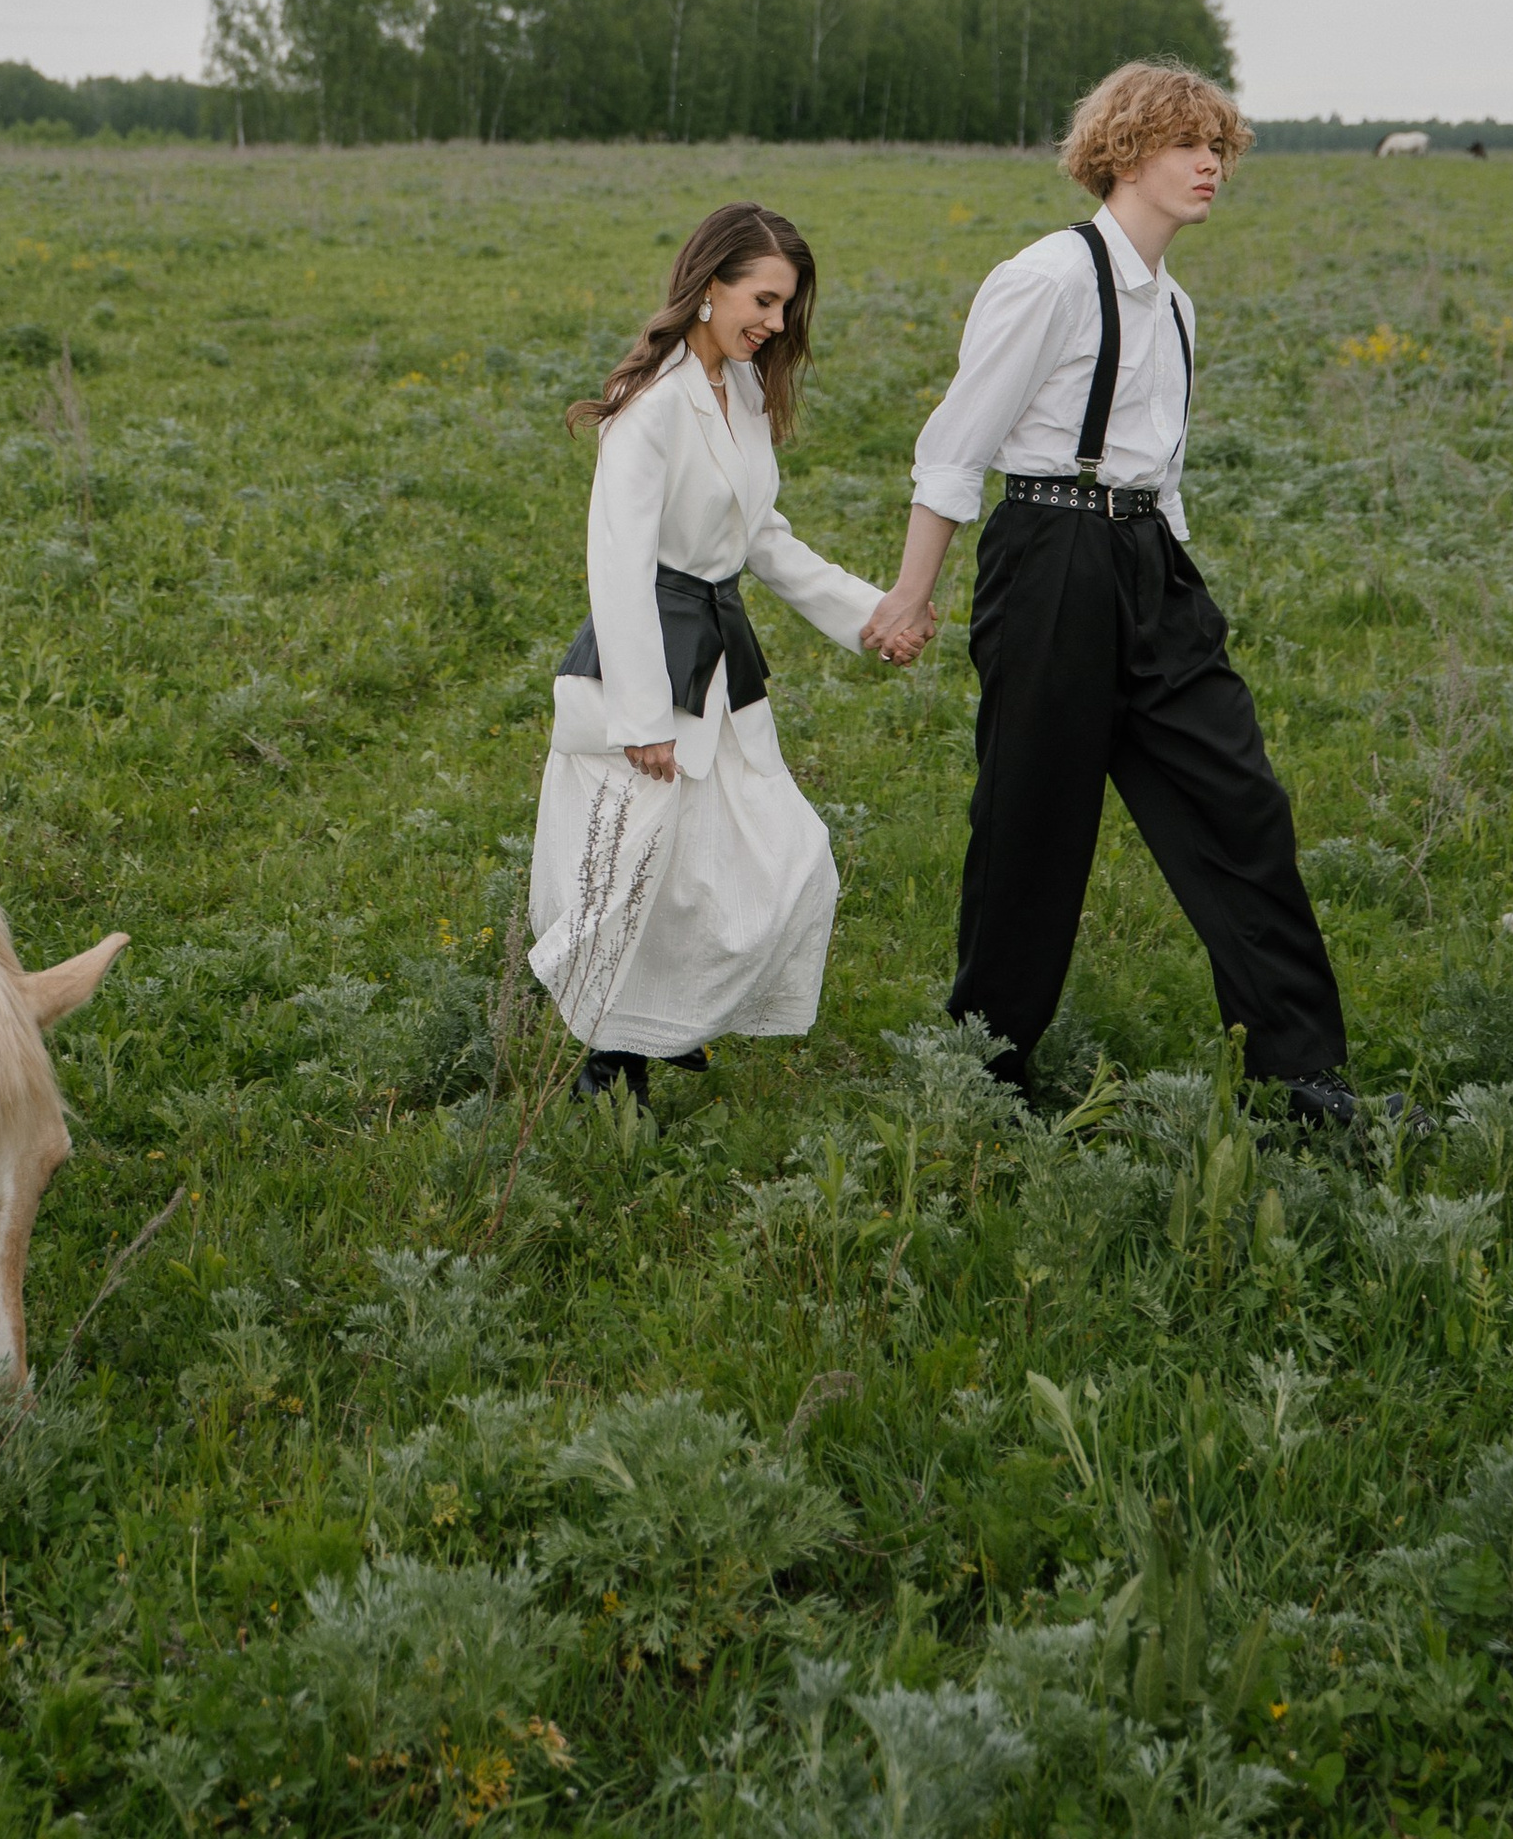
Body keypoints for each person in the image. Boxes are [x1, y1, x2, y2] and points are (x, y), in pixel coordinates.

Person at [864, 63, 1367, 1126]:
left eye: (1218, 147)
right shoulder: (1047, 278)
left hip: (1148, 565)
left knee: (1241, 805)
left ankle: (1302, 1080)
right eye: (1188, 144)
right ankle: (987, 1073)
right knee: (1032, 822)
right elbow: (954, 449)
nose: (1210, 165)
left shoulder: (1176, 307)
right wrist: (913, 594)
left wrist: (1172, 582)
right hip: (1051, 558)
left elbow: (1159, 470)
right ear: (1125, 153)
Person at [528, 201, 922, 1104]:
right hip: (647, 667)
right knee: (631, 876)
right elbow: (618, 567)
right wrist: (640, 717)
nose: (777, 324)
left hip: (719, 661)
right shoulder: (652, 406)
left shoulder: (738, 389)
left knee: (778, 854)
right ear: (710, 288)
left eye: (786, 305)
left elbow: (763, 536)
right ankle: (610, 1065)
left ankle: (666, 1021)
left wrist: (874, 614)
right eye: (764, 300)